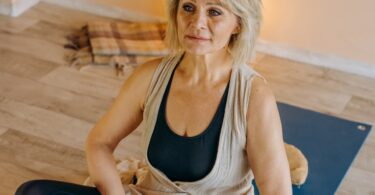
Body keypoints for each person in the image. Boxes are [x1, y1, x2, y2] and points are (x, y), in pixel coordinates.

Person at [15, 0, 292, 194]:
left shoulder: (254, 95)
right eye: (188, 7)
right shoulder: (150, 77)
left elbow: (277, 190)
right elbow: (98, 143)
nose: (197, 22)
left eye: (215, 12)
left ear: (238, 25)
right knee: (34, 191)